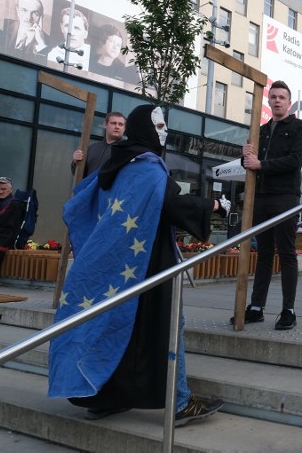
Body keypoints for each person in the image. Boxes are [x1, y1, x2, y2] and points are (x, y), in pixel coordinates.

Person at [48, 104, 228, 426]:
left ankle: (105, 397)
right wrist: (215, 204)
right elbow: (171, 204)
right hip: (148, 265)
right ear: (145, 128)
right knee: (171, 325)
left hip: (120, 265)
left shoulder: (119, 162)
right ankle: (180, 402)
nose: (165, 131)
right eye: (159, 125)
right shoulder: (147, 167)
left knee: (121, 327)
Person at [233, 80, 302, 330]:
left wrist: (260, 165)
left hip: (285, 196)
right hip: (261, 196)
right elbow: (250, 165)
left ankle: (289, 309)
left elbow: (295, 161)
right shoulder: (261, 131)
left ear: (289, 102)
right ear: (269, 101)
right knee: (263, 252)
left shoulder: (299, 127)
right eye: (273, 97)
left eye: (281, 97)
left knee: (287, 252)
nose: (277, 100)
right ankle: (256, 306)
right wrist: (246, 157)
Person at [71, 112, 127, 177]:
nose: (117, 127)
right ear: (105, 125)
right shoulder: (92, 148)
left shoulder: (127, 149)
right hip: (89, 186)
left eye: (120, 124)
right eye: (113, 123)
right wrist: (75, 162)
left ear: (124, 128)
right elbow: (78, 174)